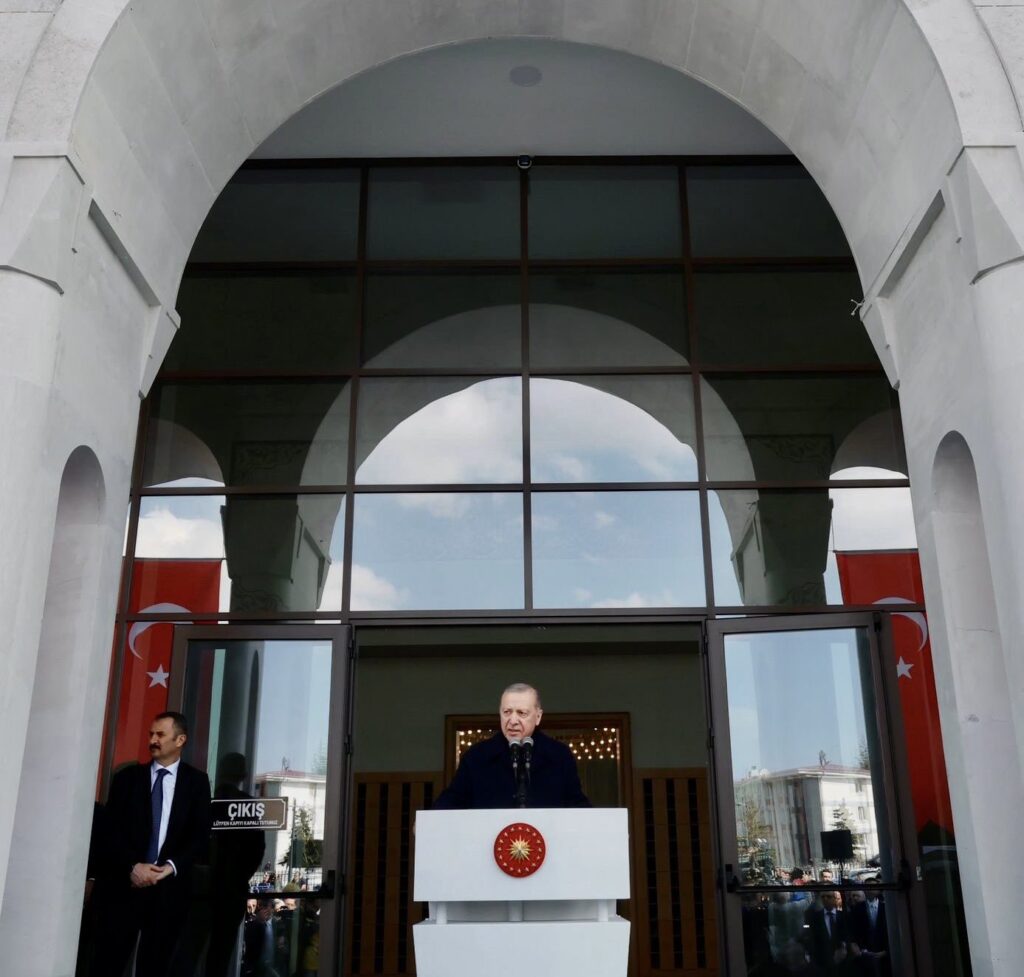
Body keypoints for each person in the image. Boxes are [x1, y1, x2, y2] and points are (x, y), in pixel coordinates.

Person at [91, 711, 211, 977]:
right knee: (107, 964)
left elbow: (200, 835)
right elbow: (110, 833)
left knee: (155, 967)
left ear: (180, 740)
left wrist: (171, 866)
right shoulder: (127, 778)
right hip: (124, 889)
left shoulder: (197, 782)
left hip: (168, 893)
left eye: (160, 734)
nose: (153, 740)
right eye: (151, 734)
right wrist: (132, 867)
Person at [433, 683, 590, 809]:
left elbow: (576, 802)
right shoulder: (478, 756)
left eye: (522, 713)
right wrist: (427, 822)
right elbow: (454, 799)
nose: (513, 720)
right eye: (507, 712)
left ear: (538, 716)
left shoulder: (558, 755)